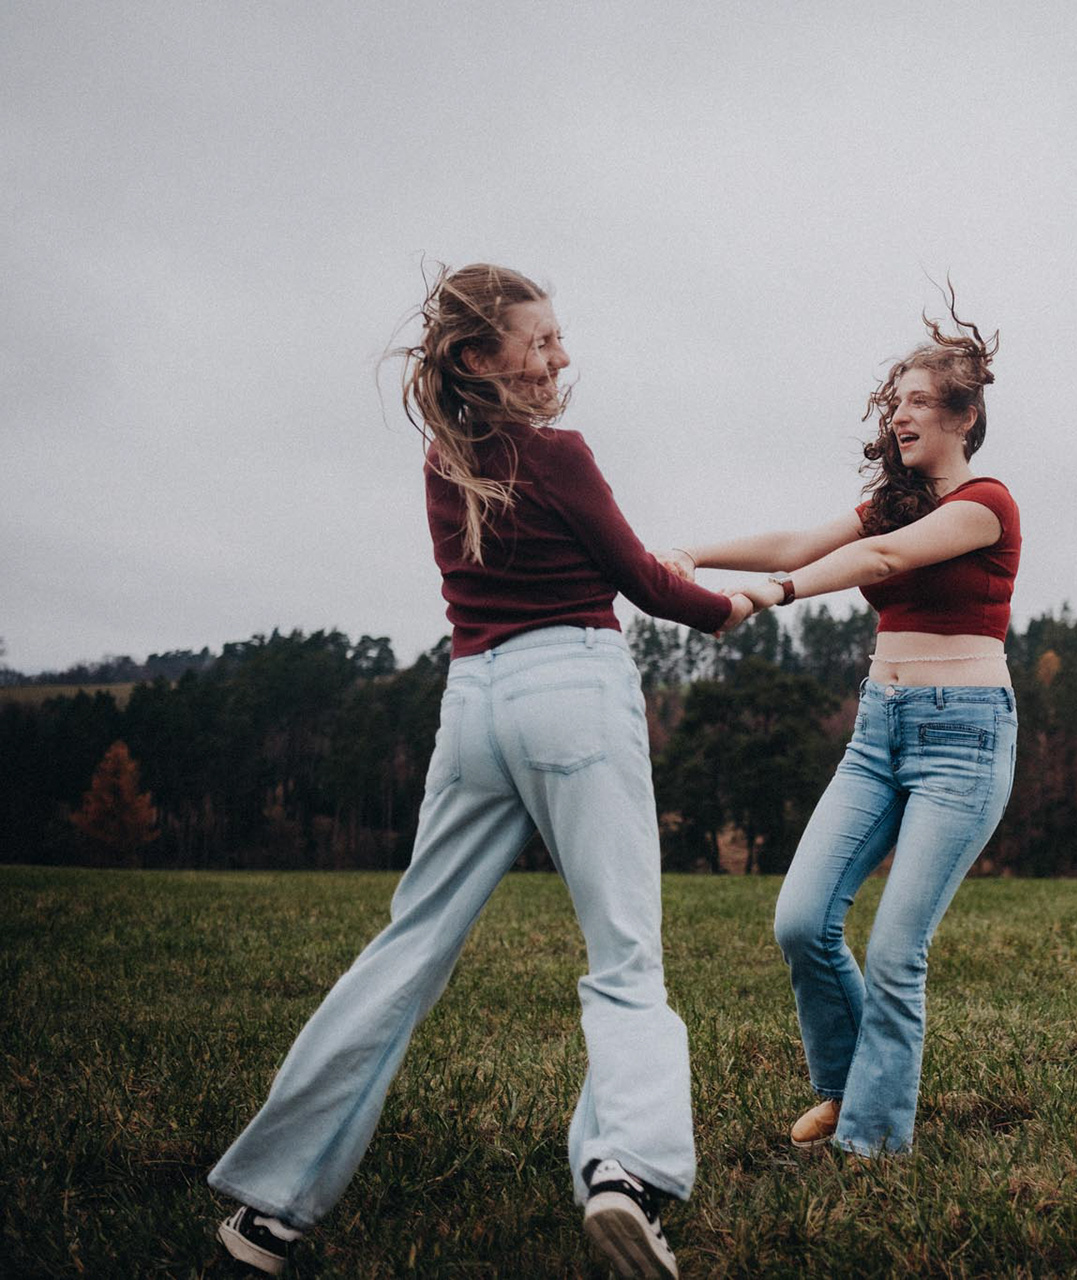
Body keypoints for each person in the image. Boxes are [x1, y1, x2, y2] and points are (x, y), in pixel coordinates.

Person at [208, 264, 741, 1279]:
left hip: (473, 708)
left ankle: (268, 1211)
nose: (561, 356)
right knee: (625, 953)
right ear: (480, 358)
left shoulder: (443, 461)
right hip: (572, 690)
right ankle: (626, 1172)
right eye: (541, 341)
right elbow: (644, 582)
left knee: (408, 946)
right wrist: (733, 605)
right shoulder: (560, 453)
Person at [666, 294, 1019, 1157]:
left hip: (963, 739)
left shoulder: (987, 504)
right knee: (802, 921)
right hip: (879, 730)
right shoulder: (893, 505)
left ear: (965, 416)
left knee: (897, 952)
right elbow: (799, 544)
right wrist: (691, 555)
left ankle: (872, 1143)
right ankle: (850, 1088)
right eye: (894, 402)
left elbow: (881, 559)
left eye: (917, 401)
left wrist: (773, 597)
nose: (898, 415)